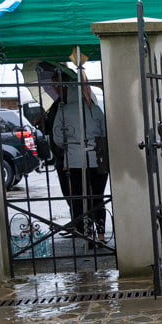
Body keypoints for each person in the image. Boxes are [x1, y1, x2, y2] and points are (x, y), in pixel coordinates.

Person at [50, 76, 109, 244]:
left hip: (75, 159)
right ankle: (101, 234)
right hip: (97, 158)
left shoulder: (63, 110)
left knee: (79, 195)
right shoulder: (95, 109)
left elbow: (57, 137)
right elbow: (104, 133)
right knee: (97, 196)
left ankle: (86, 232)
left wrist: (71, 146)